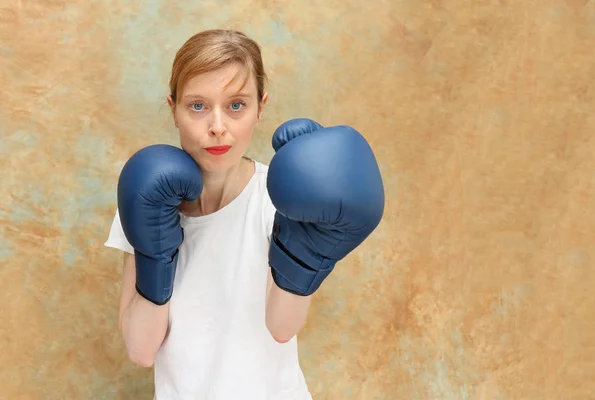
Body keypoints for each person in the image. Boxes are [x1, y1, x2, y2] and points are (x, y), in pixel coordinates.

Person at [104, 29, 385, 399]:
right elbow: (141, 351)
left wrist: (308, 257)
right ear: (173, 108)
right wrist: (156, 256)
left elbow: (282, 328)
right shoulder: (146, 195)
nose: (217, 126)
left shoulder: (281, 197)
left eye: (236, 105)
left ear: (260, 108)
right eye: (198, 106)